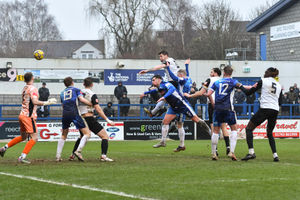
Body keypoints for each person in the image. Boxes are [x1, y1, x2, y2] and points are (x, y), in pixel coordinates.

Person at [0, 72, 57, 164]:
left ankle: (4, 148)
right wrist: (47, 102)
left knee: (23, 137)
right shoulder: (33, 88)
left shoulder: (24, 88)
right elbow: (34, 101)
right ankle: (22, 157)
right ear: (32, 78)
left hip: (22, 115)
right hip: (28, 117)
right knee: (34, 138)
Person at [140, 75, 210, 149]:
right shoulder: (160, 87)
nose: (152, 81)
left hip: (182, 105)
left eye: (153, 80)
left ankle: (210, 131)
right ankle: (163, 141)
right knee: (165, 122)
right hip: (174, 107)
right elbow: (154, 90)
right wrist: (146, 92)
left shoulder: (167, 84)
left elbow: (172, 89)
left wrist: (164, 97)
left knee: (197, 120)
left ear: (159, 79)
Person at [206, 66, 250, 161]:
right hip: (228, 109)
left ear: (223, 72)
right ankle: (231, 152)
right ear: (231, 73)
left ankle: (214, 153)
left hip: (217, 109)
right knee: (234, 129)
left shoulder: (217, 82)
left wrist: (213, 103)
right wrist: (252, 87)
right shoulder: (233, 82)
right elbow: (243, 88)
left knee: (216, 131)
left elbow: (208, 94)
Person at [240, 67, 282, 162]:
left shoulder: (263, 81)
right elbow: (280, 102)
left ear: (268, 73)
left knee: (249, 129)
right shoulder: (278, 85)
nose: (264, 73)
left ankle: (251, 153)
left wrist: (240, 86)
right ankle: (275, 155)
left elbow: (248, 92)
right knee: (269, 133)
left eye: (265, 71)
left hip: (265, 108)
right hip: (275, 110)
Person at [186, 68, 230, 156]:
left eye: (211, 72)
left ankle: (215, 150)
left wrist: (190, 95)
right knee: (224, 126)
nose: (210, 73)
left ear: (215, 73)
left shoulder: (210, 80)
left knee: (213, 127)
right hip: (223, 105)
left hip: (213, 104)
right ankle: (228, 148)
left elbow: (201, 92)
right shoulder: (224, 80)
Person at [69, 77, 115, 162]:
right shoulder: (92, 94)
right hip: (89, 117)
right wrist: (107, 120)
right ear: (92, 84)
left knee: (82, 136)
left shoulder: (78, 92)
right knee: (104, 136)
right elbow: (98, 108)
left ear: (83, 84)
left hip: (80, 117)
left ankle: (72, 155)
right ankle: (103, 156)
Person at [56, 77, 92, 162]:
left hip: (65, 114)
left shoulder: (62, 93)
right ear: (72, 82)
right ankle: (78, 151)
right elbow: (81, 99)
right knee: (87, 133)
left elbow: (63, 105)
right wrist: (91, 104)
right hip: (74, 113)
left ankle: (58, 156)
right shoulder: (76, 90)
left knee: (64, 134)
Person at [139, 50, 180, 117]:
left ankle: (158, 110)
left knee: (165, 97)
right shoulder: (172, 60)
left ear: (166, 55)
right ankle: (157, 111)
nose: (160, 58)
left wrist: (147, 70)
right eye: (159, 57)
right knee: (164, 97)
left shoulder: (168, 61)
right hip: (173, 82)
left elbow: (158, 67)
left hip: (174, 82)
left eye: (161, 56)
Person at [165, 59, 193, 152]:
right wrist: (186, 66)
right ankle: (181, 144)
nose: (177, 76)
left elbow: (173, 77)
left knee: (180, 124)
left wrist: (168, 68)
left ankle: (182, 145)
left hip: (182, 103)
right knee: (179, 123)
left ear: (180, 75)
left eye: (178, 75)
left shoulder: (181, 80)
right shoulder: (188, 78)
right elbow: (186, 73)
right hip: (183, 102)